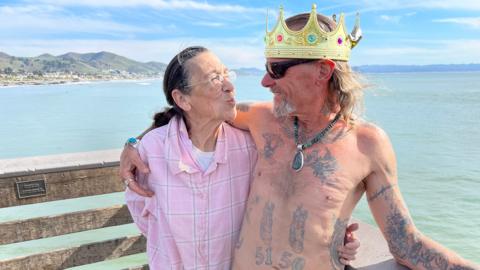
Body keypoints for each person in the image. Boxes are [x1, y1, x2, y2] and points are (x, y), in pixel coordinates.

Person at [122, 5, 479, 270]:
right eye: (265, 69)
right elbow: (192, 112)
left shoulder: (367, 145)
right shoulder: (262, 118)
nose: (265, 82)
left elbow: (407, 244)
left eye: (276, 70)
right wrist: (134, 143)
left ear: (322, 71)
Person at [123, 46, 360, 270]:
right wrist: (133, 143)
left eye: (227, 74)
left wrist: (331, 234)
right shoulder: (150, 152)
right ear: (183, 99)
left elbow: (281, 206)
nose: (229, 86)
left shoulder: (249, 147)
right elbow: (144, 218)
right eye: (215, 78)